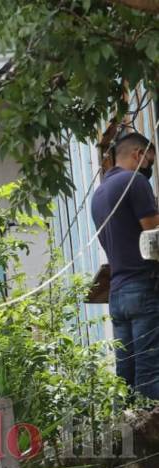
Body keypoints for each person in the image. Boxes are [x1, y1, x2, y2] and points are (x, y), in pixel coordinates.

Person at [91, 132, 159, 399]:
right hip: (143, 287)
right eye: (149, 160)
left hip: (117, 293)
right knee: (150, 372)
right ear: (137, 155)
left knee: (126, 377)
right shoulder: (135, 182)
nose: (149, 168)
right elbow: (154, 237)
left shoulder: (99, 194)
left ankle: (127, 436)